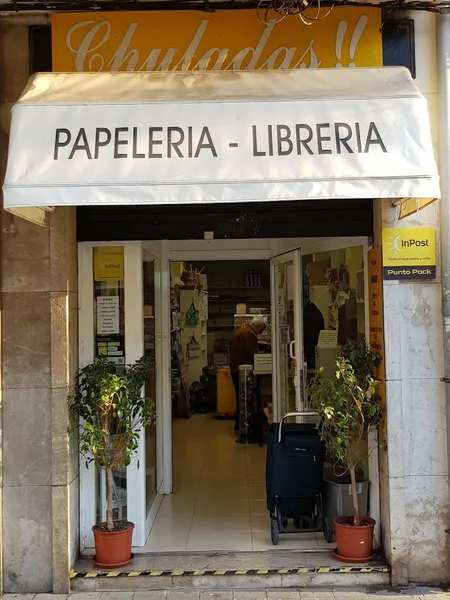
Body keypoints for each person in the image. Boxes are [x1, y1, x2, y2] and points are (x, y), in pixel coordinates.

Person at [230, 316, 267, 431]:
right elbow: (252, 353)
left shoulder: (243, 329)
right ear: (258, 326)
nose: (260, 333)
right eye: (261, 330)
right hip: (243, 370)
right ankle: (244, 425)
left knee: (239, 396)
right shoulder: (249, 334)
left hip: (236, 367)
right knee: (245, 397)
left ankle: (239, 424)